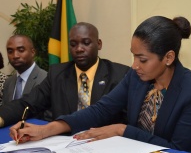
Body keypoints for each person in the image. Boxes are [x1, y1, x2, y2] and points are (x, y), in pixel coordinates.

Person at [10, 16, 191, 153]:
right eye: (133, 56)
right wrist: (48, 130)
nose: (134, 65)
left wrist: (122, 130)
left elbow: (177, 150)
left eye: (142, 59)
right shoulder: (135, 77)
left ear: (168, 58)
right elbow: (101, 109)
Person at [0, 22, 130, 127]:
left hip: (104, 147)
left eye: (86, 43)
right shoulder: (57, 74)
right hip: (65, 145)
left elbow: (126, 120)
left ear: (99, 44)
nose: (79, 49)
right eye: (73, 44)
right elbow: (28, 103)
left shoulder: (119, 74)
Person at [3, 35, 47, 105]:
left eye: (21, 50)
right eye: (10, 51)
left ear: (33, 52)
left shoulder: (45, 79)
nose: (15, 56)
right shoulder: (8, 82)